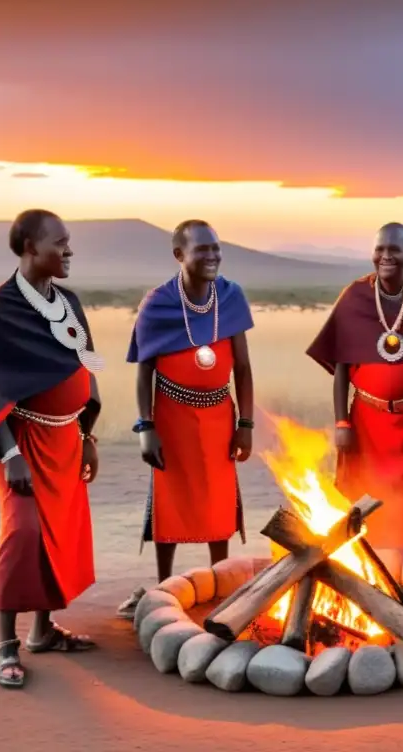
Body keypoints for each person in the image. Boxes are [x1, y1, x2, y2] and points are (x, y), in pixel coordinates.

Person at [0, 208, 104, 689]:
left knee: (59, 534)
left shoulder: (71, 303)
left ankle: (42, 631)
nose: (69, 251)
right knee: (22, 535)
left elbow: (87, 365)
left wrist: (86, 435)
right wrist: (10, 453)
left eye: (69, 241)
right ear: (30, 248)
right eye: (60, 242)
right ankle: (5, 646)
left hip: (66, 439)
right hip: (23, 441)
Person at [116, 220, 254, 619]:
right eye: (202, 250)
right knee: (171, 498)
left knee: (218, 500)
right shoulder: (157, 303)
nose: (212, 256)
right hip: (171, 415)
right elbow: (144, 372)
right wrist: (146, 427)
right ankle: (163, 588)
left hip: (218, 415)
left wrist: (245, 425)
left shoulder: (230, 297)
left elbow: (242, 368)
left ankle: (219, 584)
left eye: (216, 248)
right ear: (179, 255)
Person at [306, 222, 403, 554]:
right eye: (379, 250)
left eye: (394, 250)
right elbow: (341, 370)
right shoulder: (355, 297)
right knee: (362, 501)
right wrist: (342, 422)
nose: (386, 256)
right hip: (366, 424)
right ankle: (366, 574)